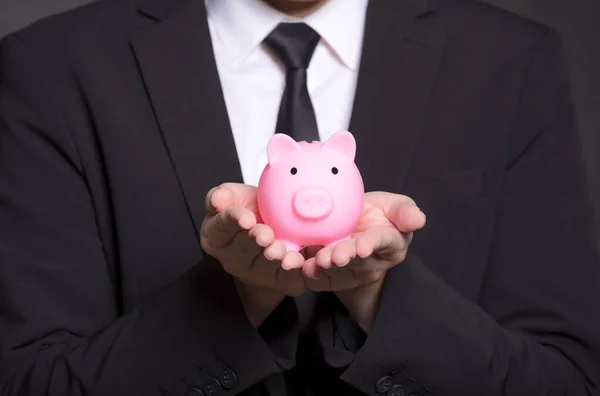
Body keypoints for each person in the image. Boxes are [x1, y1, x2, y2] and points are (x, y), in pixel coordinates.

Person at [0, 0, 599, 394]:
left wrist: (378, 292)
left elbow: (567, 378)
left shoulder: (510, 63)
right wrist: (237, 294)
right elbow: (27, 379)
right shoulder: (54, 69)